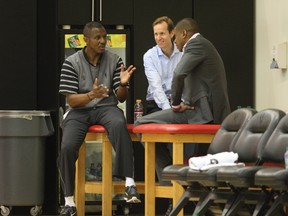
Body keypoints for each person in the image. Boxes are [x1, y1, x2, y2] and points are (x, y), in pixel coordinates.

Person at [135, 17, 231, 189]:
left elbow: (179, 74)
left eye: (175, 37)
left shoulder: (195, 45)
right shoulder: (201, 45)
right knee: (195, 164)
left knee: (141, 123)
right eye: (155, 34)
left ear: (183, 34)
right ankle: (174, 181)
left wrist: (176, 104)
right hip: (200, 110)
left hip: (201, 112)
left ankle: (171, 181)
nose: (175, 41)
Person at [58, 21, 141, 216]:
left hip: (106, 107)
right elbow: (71, 99)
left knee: (119, 122)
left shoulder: (115, 60)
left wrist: (122, 84)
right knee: (67, 147)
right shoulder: (71, 63)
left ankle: (129, 182)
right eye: (98, 37)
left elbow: (120, 97)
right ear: (86, 39)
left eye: (105, 37)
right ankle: (69, 201)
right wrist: (90, 95)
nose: (103, 41)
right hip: (79, 111)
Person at [143, 16, 182, 114]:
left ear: (172, 33)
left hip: (179, 102)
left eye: (162, 34)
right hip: (156, 104)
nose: (158, 38)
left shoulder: (183, 53)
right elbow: (156, 87)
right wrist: (169, 112)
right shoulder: (149, 56)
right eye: (155, 34)